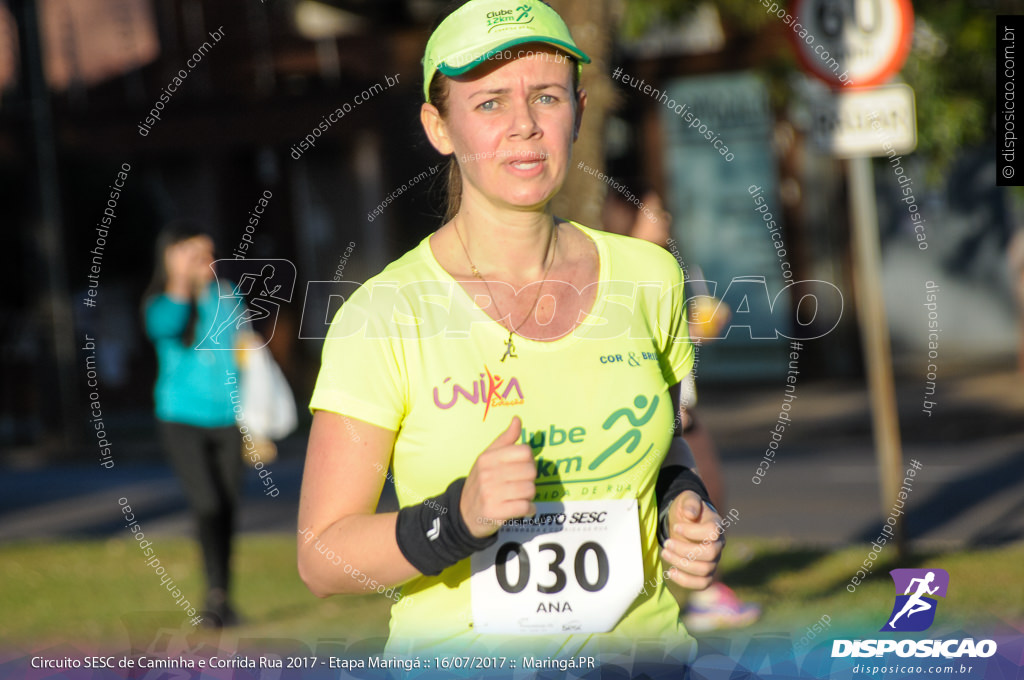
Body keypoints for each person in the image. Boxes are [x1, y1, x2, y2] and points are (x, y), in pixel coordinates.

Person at [299, 0, 724, 660]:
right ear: (439, 127)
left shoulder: (649, 278)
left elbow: (666, 448)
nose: (524, 124)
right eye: (490, 102)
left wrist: (684, 506)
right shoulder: (383, 316)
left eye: (546, 97)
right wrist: (459, 517)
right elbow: (322, 557)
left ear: (578, 111)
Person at [601, 185, 761, 632]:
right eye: (654, 212)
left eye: (664, 211)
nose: (664, 219)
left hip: (680, 404)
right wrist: (667, 409)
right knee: (698, 493)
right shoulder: (621, 273)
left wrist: (698, 327)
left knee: (699, 497)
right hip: (658, 411)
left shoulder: (666, 268)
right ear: (628, 220)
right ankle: (703, 593)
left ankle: (702, 591)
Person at [143, 226, 243, 627]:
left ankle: (221, 596)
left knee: (229, 506)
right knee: (207, 503)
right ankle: (213, 596)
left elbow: (242, 348)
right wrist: (182, 281)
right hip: (181, 418)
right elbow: (165, 326)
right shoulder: (161, 303)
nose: (205, 262)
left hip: (229, 418)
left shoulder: (226, 295)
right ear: (170, 256)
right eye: (193, 254)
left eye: (208, 254)